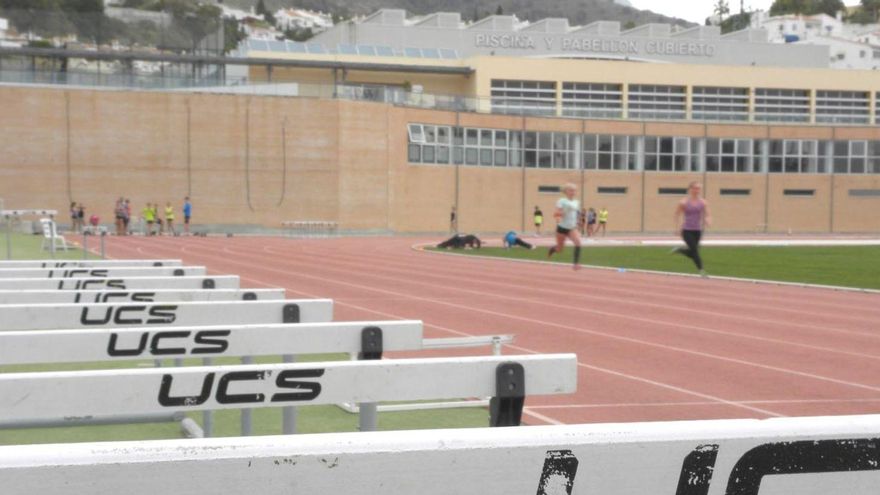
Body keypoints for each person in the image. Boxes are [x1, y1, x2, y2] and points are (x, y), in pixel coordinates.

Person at [672, 181, 712, 277]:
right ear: (690, 189)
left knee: (693, 252)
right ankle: (701, 270)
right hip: (686, 230)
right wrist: (677, 229)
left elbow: (708, 214)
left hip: (698, 230)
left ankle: (680, 250)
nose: (697, 190)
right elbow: (677, 215)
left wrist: (708, 220)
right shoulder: (683, 202)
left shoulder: (703, 202)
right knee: (695, 251)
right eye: (695, 188)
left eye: (699, 188)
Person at [547, 183, 582, 271]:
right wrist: (563, 212)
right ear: (566, 191)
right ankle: (552, 249)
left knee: (578, 242)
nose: (573, 192)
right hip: (562, 228)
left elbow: (576, 214)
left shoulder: (576, 202)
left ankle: (576, 264)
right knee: (560, 249)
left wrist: (579, 222)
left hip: (572, 228)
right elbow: (556, 214)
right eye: (571, 190)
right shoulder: (561, 201)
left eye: (574, 190)